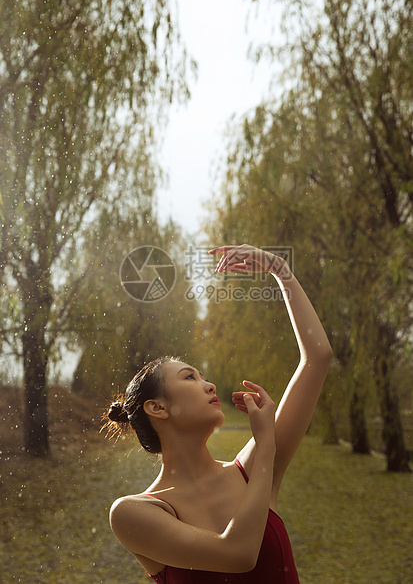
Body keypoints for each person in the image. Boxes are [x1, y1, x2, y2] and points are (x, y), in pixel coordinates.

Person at [104, 244, 333, 583]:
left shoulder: (250, 471)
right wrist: (266, 443)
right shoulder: (133, 512)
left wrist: (280, 270)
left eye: (203, 376)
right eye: (189, 377)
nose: (209, 385)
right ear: (157, 407)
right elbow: (238, 554)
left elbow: (318, 357)